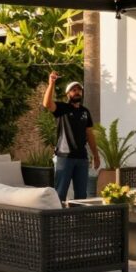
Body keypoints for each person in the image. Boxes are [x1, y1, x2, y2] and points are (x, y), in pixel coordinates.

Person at [42, 71, 100, 201]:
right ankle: (58, 214)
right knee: (60, 194)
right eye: (73, 90)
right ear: (68, 94)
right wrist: (51, 84)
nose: (77, 92)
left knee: (81, 196)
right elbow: (46, 104)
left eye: (79, 90)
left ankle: (78, 215)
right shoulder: (62, 108)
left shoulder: (85, 112)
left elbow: (90, 134)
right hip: (65, 157)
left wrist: (96, 155)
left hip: (82, 158)